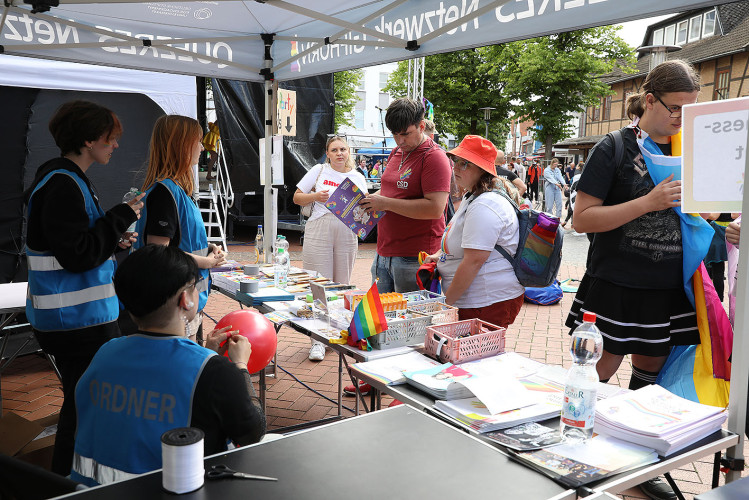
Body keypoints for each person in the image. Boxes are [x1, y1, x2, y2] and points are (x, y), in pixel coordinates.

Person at [564, 59, 702, 500]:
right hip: (616, 284)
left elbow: (709, 215)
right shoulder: (614, 147)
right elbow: (582, 219)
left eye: (690, 110)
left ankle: (637, 467)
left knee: (649, 382)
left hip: (668, 289)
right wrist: (648, 201)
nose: (682, 118)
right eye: (676, 108)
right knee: (597, 373)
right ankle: (575, 451)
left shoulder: (692, 148)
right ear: (648, 100)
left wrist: (727, 224)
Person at [71, 245, 266, 486]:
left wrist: (205, 355)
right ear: (185, 299)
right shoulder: (215, 372)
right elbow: (252, 432)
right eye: (194, 287)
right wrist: (239, 366)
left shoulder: (104, 353)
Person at [24, 100, 143, 476]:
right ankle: (63, 481)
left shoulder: (64, 179)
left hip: (76, 319)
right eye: (111, 139)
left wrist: (112, 239)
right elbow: (78, 255)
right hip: (76, 322)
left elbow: (77, 245)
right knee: (83, 407)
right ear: (90, 139)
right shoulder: (63, 184)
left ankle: (72, 478)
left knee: (83, 402)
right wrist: (121, 215)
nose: (116, 146)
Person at [133, 115, 227, 345]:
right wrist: (205, 262)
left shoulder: (176, 190)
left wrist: (209, 249)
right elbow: (159, 250)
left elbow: (180, 239)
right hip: (173, 304)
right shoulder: (165, 193)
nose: (202, 146)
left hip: (186, 300)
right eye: (197, 141)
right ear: (180, 145)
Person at [424, 135, 524, 327]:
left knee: (479, 356)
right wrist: (442, 256)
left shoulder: (485, 203)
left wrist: (445, 305)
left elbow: (474, 261)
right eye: (455, 161)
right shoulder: (475, 195)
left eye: (464, 164)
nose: (455, 168)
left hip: (485, 302)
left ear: (482, 169)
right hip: (480, 301)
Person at [359, 97, 451, 293]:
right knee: (381, 318)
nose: (401, 141)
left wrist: (384, 203)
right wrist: (370, 199)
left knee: (411, 320)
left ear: (421, 125)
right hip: (384, 251)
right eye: (395, 134)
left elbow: (435, 208)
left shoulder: (434, 157)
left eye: (406, 134)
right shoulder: (396, 152)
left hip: (415, 256)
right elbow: (391, 190)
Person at [293, 136, 367, 361]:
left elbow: (364, 207)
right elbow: (297, 197)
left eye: (343, 149)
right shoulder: (318, 170)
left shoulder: (357, 176)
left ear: (349, 152)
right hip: (319, 228)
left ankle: (336, 334)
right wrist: (315, 196)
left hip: (346, 231)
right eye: (334, 150)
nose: (339, 153)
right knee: (318, 284)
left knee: (342, 284)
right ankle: (317, 340)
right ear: (327, 153)